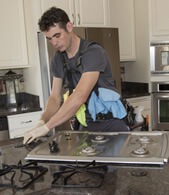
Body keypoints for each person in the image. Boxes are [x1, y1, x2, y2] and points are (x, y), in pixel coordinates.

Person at [23, 7, 129, 145]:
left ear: (69, 26)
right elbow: (55, 98)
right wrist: (41, 121)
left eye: (57, 35)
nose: (54, 43)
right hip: (85, 127)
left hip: (111, 126)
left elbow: (80, 96)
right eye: (49, 39)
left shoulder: (93, 52)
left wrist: (47, 127)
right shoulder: (58, 59)